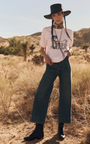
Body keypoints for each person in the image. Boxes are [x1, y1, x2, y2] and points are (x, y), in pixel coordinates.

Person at [24, 3, 73, 141]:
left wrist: (70, 51)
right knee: (41, 93)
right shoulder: (46, 30)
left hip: (65, 65)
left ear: (63, 15)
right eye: (54, 15)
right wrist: (45, 57)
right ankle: (38, 130)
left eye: (59, 14)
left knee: (65, 95)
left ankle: (60, 129)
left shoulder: (70, 32)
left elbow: (71, 48)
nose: (56, 17)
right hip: (50, 65)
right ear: (51, 17)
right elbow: (42, 48)